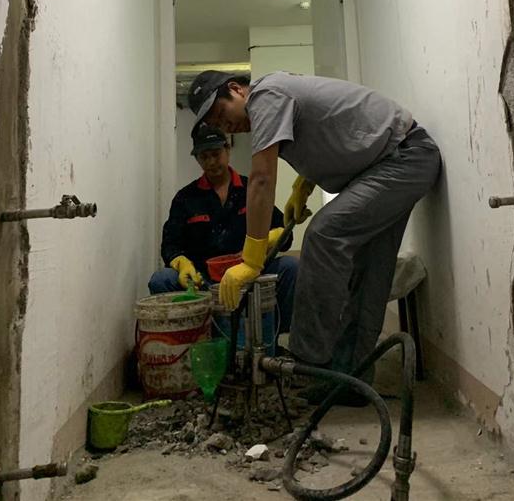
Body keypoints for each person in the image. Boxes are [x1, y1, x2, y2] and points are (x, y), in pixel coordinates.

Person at [187, 70, 441, 395]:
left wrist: (251, 259)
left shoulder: (266, 95)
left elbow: (262, 178)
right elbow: (330, 132)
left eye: (222, 113)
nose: (226, 125)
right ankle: (349, 382)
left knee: (323, 235)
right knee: (369, 275)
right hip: (394, 162)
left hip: (404, 159)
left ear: (236, 89)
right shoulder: (275, 96)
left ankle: (307, 363)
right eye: (217, 124)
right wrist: (304, 184)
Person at [148, 124, 298, 334]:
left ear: (228, 150)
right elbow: (170, 244)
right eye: (204, 156)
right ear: (197, 159)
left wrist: (273, 237)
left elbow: (285, 234)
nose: (211, 162)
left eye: (216, 154)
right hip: (203, 280)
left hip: (250, 273)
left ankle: (273, 339)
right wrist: (182, 263)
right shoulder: (185, 198)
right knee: (161, 280)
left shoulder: (251, 189)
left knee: (291, 267)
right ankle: (190, 340)